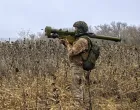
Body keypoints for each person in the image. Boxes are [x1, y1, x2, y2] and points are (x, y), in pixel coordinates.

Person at [62, 21, 99, 109]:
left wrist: (67, 44)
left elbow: (72, 52)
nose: (75, 30)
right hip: (79, 66)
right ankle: (83, 106)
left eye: (76, 29)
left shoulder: (82, 40)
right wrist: (66, 44)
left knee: (77, 88)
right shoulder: (81, 39)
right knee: (80, 87)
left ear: (80, 29)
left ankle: (78, 107)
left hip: (78, 67)